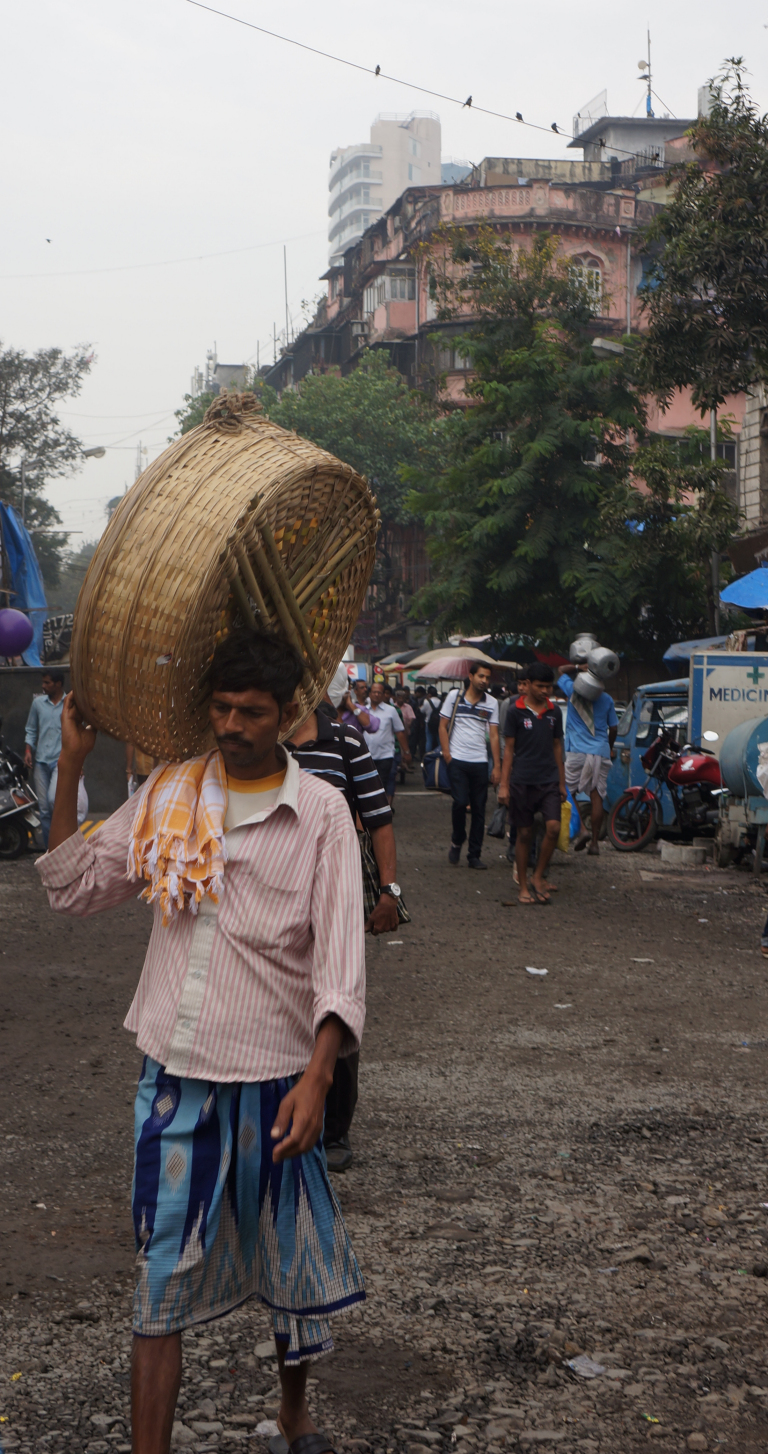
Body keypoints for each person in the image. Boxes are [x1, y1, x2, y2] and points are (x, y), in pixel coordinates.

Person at [37, 629, 366, 1454]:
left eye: (251, 712)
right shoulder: (169, 794)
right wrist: (72, 765)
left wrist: (319, 1079)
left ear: (286, 714)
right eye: (220, 709)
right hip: (175, 1075)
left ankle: (294, 1413)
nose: (231, 725)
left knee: (288, 1260)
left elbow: (340, 964)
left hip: (278, 1077)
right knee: (161, 1274)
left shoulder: (321, 814)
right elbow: (74, 888)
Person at [287, 699, 400, 1173]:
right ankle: (283, 1109)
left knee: (335, 1002)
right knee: (282, 1004)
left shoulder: (345, 741)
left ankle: (334, 1128)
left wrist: (390, 892)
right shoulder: (261, 741)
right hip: (276, 898)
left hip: (338, 893)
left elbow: (378, 818)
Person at [498, 662, 566, 904]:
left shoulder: (554, 712)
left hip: (549, 779)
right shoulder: (515, 711)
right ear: (528, 685)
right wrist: (504, 784)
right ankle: (524, 886)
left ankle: (538, 876)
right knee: (524, 833)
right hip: (522, 780)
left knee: (553, 828)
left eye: (548, 686)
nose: (545, 691)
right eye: (540, 686)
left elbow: (557, 746)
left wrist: (562, 782)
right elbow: (509, 749)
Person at [440, 662, 501, 871]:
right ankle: (457, 839)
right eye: (481, 676)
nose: (484, 681)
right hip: (457, 760)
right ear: (471, 676)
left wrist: (497, 766)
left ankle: (474, 855)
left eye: (487, 678)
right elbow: (442, 726)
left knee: (479, 809)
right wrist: (447, 754)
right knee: (459, 802)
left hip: (480, 762)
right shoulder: (454, 697)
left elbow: (494, 735)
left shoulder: (492, 703)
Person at [557, 664, 618, 856]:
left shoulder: (572, 692)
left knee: (567, 791)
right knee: (596, 796)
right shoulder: (607, 699)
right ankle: (594, 843)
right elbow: (613, 728)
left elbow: (561, 670)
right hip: (600, 751)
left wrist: (578, 666)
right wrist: (609, 747)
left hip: (576, 751)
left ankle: (582, 829)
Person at [24, 670, 65, 847]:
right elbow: (31, 729)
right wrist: (28, 750)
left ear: (58, 684)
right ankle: (50, 849)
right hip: (41, 762)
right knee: (44, 809)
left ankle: (61, 843)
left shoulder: (69, 704)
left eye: (47, 683)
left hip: (60, 762)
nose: (43, 686)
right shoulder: (38, 704)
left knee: (53, 800)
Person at [363, 679, 412, 804]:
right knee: (367, 785)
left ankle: (381, 809)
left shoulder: (391, 711)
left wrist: (406, 752)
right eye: (374, 692)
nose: (376, 695)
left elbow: (400, 732)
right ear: (370, 694)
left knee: (382, 784)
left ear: (384, 695)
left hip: (385, 755)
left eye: (379, 692)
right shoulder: (363, 711)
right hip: (366, 755)